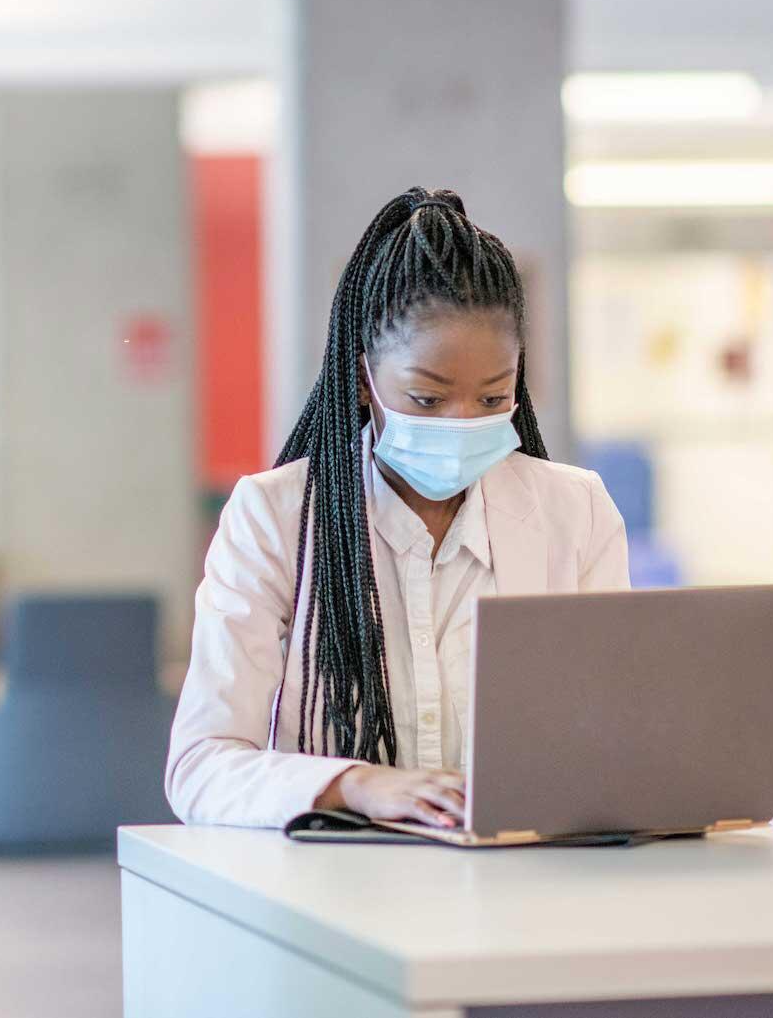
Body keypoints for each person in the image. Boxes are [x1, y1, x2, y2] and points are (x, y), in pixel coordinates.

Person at [167, 187, 630, 830]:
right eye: (428, 399)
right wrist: (356, 785)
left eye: (493, 399)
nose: (464, 422)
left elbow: (613, 732)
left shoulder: (574, 511)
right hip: (334, 891)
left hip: (520, 882)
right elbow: (201, 767)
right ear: (364, 381)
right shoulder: (273, 518)